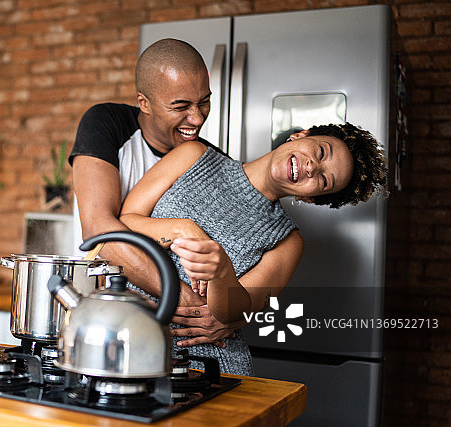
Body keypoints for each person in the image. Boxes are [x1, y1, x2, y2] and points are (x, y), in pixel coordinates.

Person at [119, 122, 388, 374]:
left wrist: (221, 271)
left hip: (203, 366)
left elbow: (233, 314)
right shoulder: (193, 154)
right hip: (120, 330)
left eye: (324, 180)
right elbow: (126, 222)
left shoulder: (288, 242)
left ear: (309, 197)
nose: (311, 167)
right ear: (301, 135)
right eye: (319, 152)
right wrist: (183, 229)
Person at [70, 38, 238, 348]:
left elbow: (239, 262)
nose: (198, 118)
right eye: (181, 106)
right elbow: (99, 232)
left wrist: (233, 316)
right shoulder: (106, 124)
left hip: (177, 340)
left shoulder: (209, 159)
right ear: (144, 103)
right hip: (95, 322)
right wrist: (178, 295)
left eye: (204, 101)